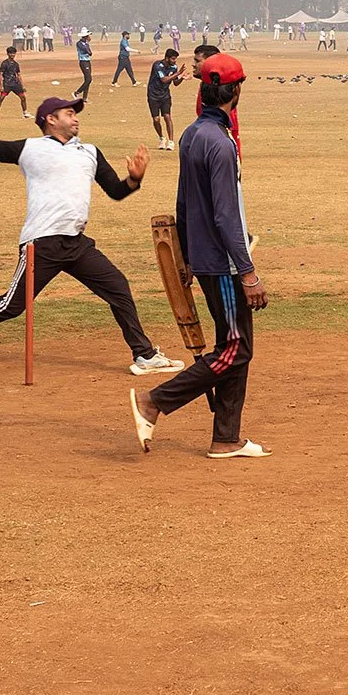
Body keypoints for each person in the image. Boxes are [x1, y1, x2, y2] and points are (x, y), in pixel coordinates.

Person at [0, 96, 182, 378]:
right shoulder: (30, 149)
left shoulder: (90, 152)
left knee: (117, 286)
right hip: (42, 242)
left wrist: (134, 179)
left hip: (76, 242)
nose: (76, 117)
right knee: (12, 305)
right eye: (69, 113)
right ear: (50, 119)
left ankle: (144, 355)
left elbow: (116, 191)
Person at [131, 52, 268, 459]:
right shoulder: (221, 144)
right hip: (224, 264)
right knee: (236, 350)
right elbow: (226, 214)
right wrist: (247, 273)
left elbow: (184, 200)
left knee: (233, 344)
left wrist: (186, 254)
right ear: (236, 90)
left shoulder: (192, 133)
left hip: (206, 257)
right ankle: (154, 401)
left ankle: (226, 438)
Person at [148, 46, 183, 150]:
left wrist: (182, 78)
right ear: (167, 58)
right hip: (153, 95)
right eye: (173, 58)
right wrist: (177, 73)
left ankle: (171, 142)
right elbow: (163, 79)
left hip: (165, 95)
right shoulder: (157, 65)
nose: (175, 61)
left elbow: (175, 82)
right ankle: (161, 138)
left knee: (167, 116)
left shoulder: (174, 67)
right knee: (156, 119)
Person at [0, 44, 28, 119]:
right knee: (1, 98)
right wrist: (1, 86)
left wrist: (22, 86)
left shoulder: (16, 64)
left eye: (14, 53)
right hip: (7, 84)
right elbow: (0, 74)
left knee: (23, 97)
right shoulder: (4, 63)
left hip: (15, 84)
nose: (12, 55)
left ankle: (25, 113)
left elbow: (18, 75)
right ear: (8, 54)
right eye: (11, 53)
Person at [75, 27, 94, 98]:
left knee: (87, 80)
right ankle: (77, 92)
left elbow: (90, 53)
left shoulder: (86, 43)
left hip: (87, 61)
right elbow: (86, 51)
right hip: (83, 62)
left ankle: (84, 98)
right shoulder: (79, 43)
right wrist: (88, 49)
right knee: (89, 79)